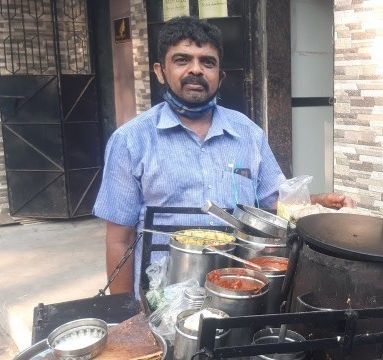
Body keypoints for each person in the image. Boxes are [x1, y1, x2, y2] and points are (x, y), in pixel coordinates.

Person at [93, 16, 354, 297]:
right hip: (162, 295)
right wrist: (124, 313)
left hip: (241, 287)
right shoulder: (131, 140)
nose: (196, 70)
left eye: (207, 62)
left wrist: (317, 204)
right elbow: (120, 240)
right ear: (160, 71)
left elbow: (275, 204)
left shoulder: (248, 134)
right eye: (182, 60)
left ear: (221, 75)